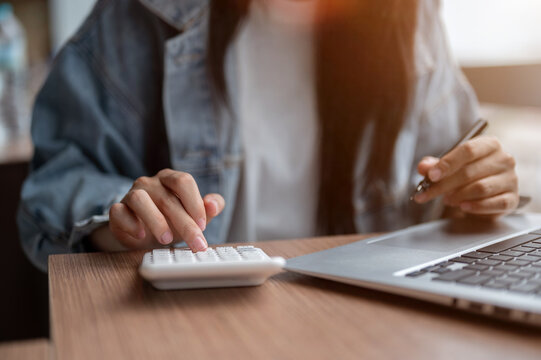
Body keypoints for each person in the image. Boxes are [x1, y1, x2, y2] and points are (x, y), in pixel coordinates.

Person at [18, 0, 519, 272]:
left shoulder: (410, 17)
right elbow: (55, 187)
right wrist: (121, 221)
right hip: (194, 329)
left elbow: (454, 169)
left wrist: (478, 191)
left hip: (370, 323)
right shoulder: (138, 15)